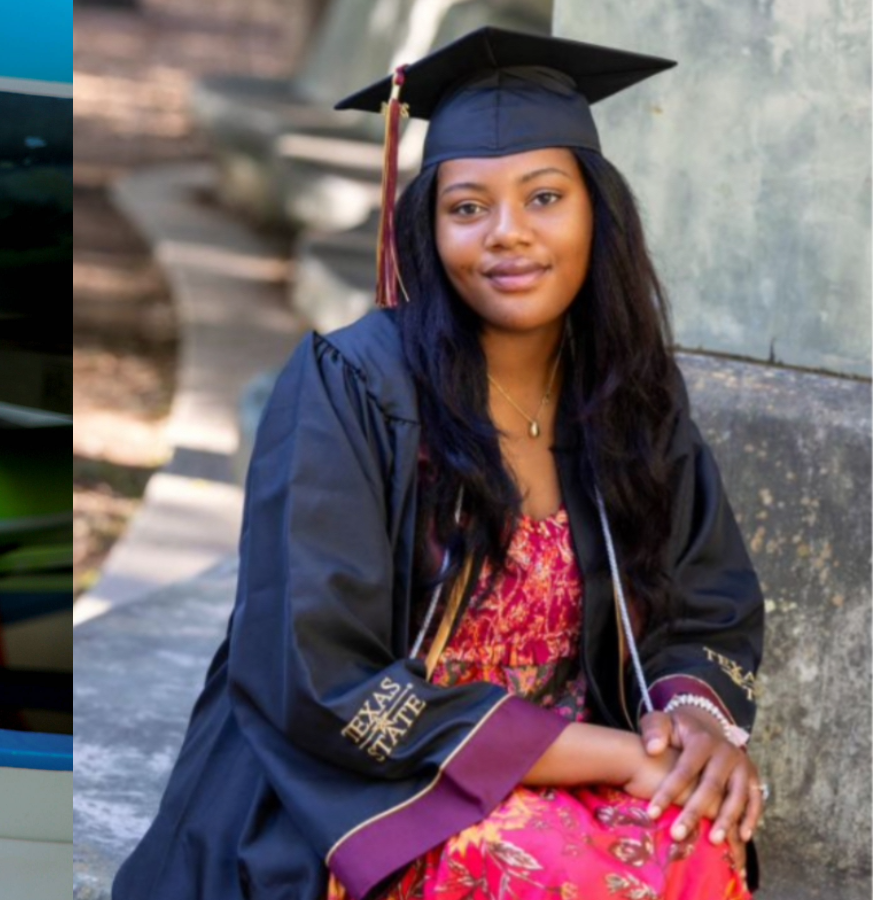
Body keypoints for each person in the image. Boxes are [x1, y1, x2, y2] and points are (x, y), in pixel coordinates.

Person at [112, 28, 765, 900]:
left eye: (543, 198)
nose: (508, 236)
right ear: (425, 225)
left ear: (596, 212)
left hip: (568, 763)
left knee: (698, 837)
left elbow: (706, 600)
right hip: (361, 791)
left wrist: (691, 728)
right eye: (467, 207)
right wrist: (620, 756)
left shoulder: (628, 396)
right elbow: (317, 677)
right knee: (578, 873)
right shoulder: (350, 386)